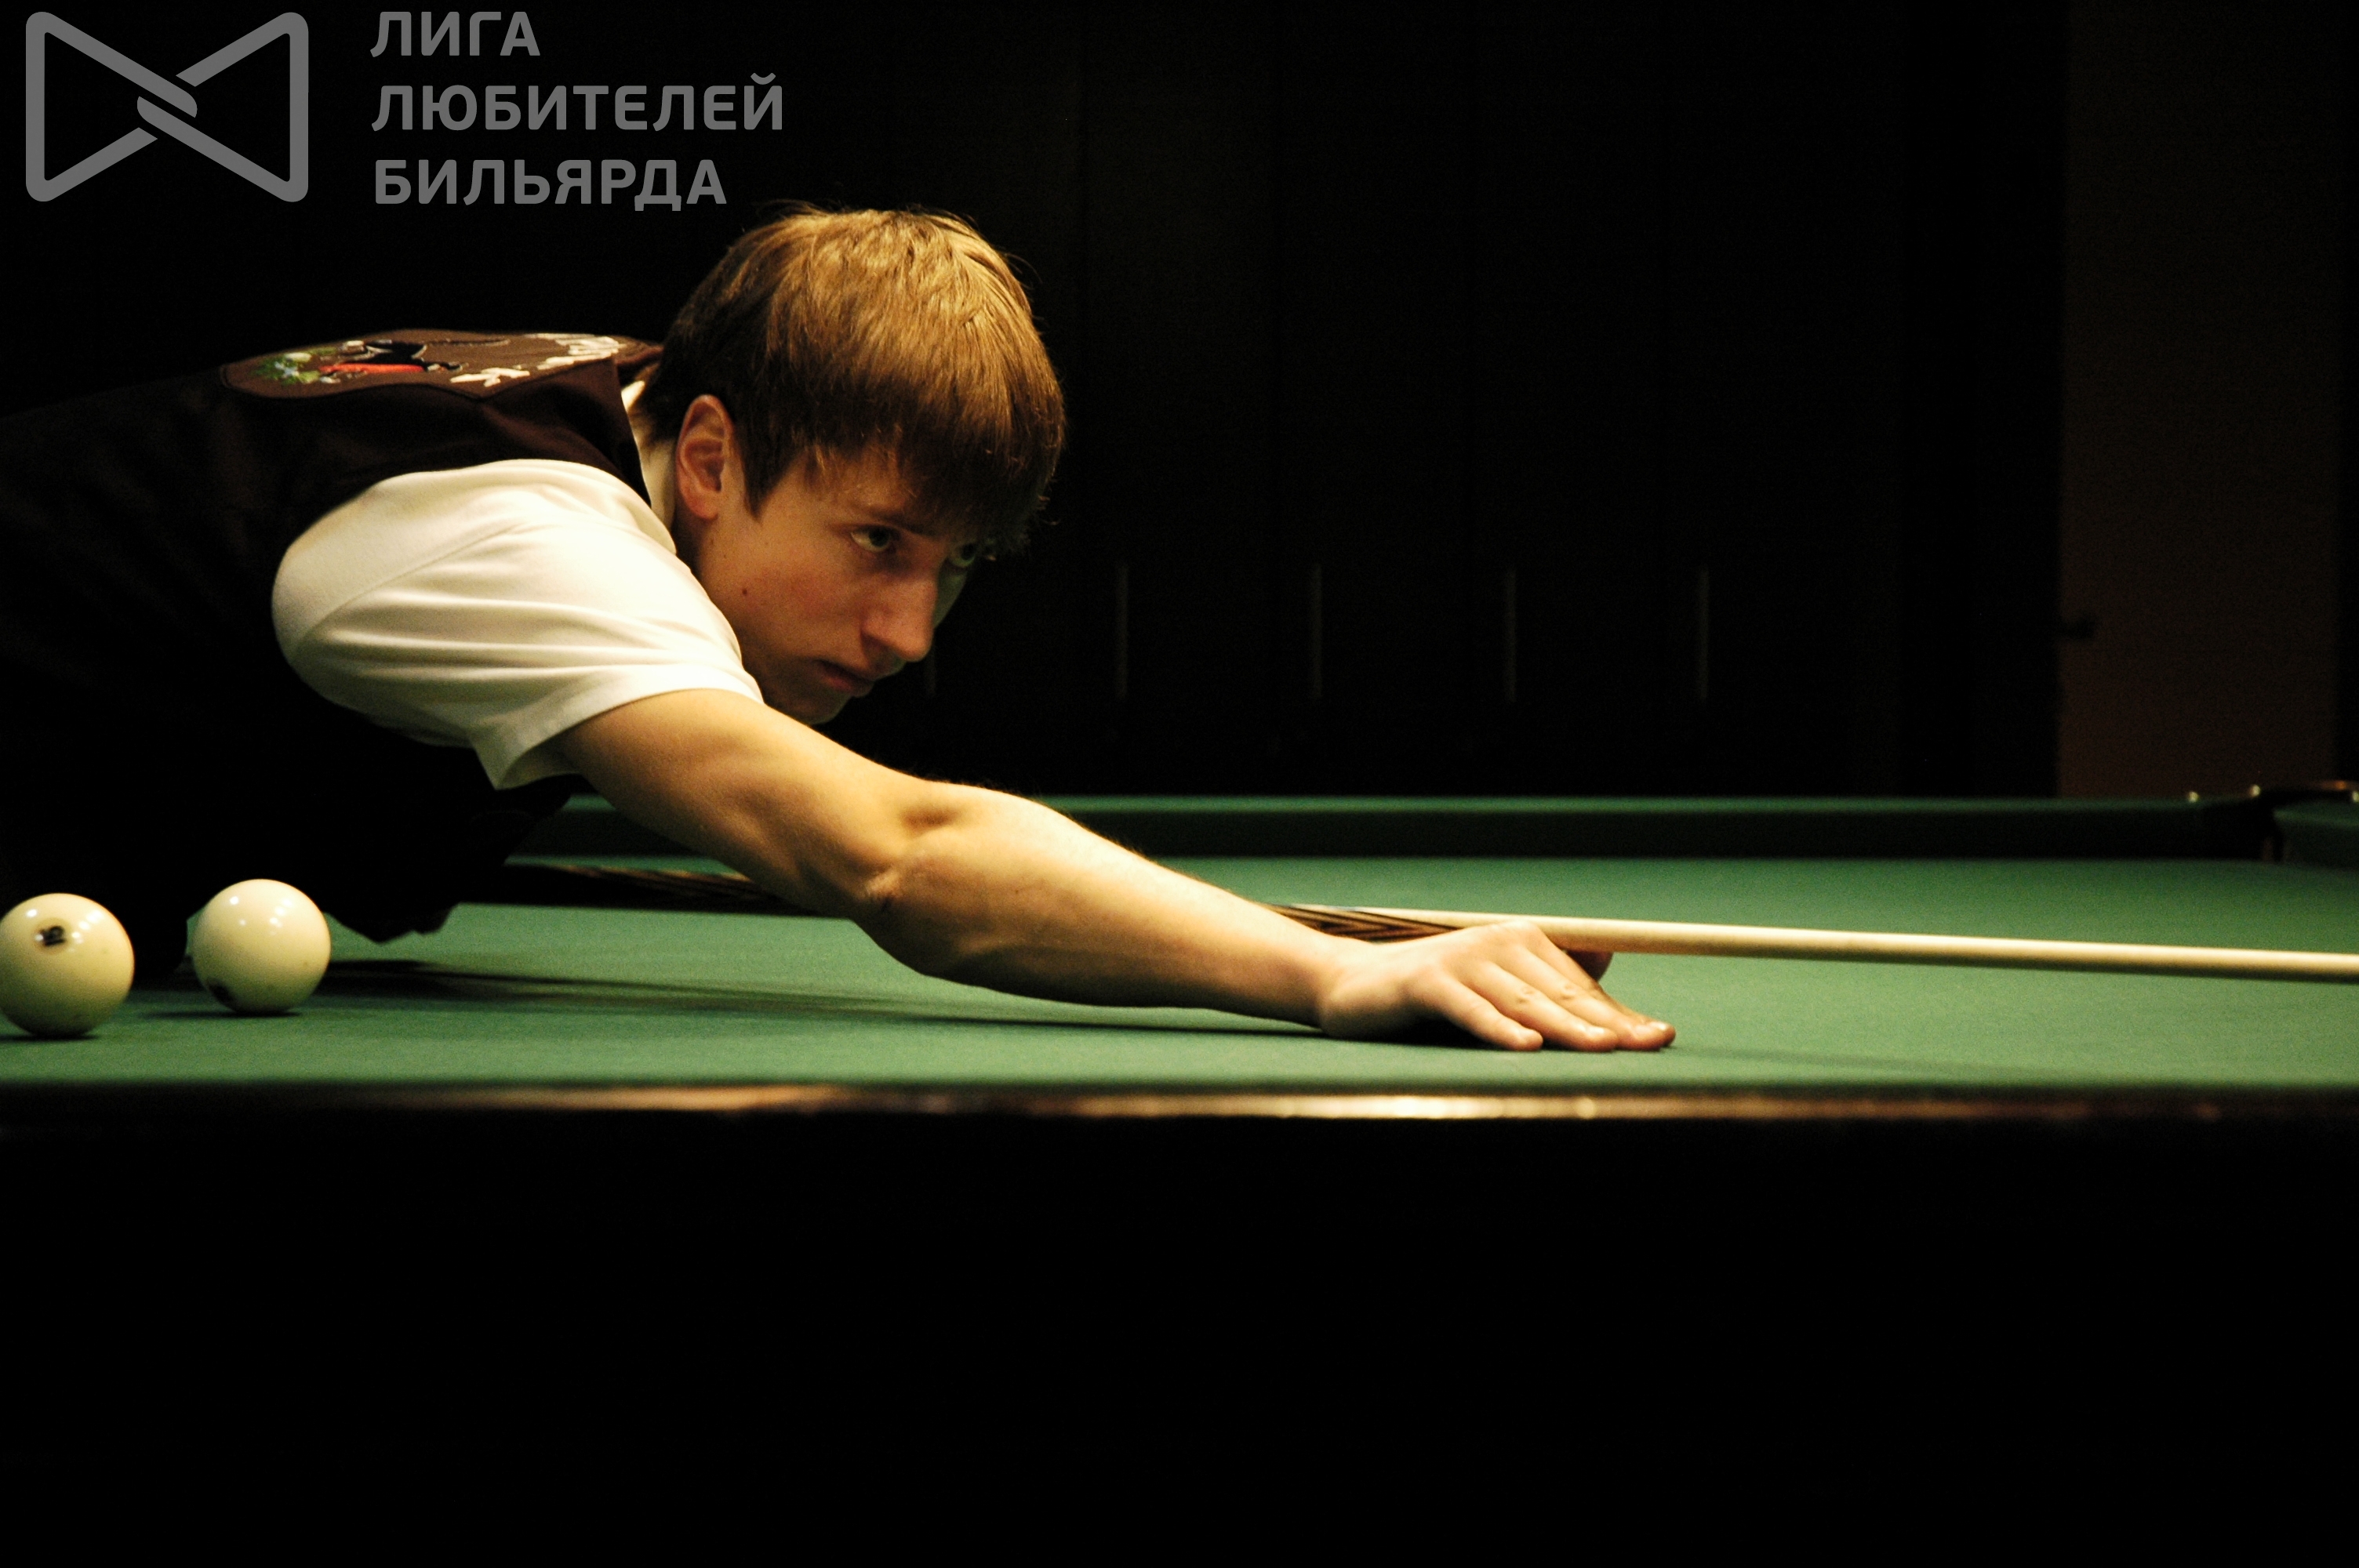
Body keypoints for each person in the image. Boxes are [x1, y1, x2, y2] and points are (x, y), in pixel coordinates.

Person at [0, 207, 1670, 1052]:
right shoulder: (522, 539)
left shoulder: (659, 401)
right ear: (711, 458)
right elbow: (900, 857)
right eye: (877, 542)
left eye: (952, 565)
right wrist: (1336, 972)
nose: (908, 631)